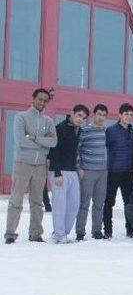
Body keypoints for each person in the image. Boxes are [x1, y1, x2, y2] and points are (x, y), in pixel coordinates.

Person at [5, 89, 57, 244]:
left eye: (45, 100)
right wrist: (43, 143)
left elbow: (53, 142)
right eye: (39, 99)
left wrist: (35, 138)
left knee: (37, 201)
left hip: (40, 166)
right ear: (33, 98)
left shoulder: (48, 121)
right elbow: (21, 141)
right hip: (22, 164)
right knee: (16, 199)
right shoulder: (21, 117)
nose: (42, 102)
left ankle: (35, 234)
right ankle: (10, 233)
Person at [47, 104, 89, 244]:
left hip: (72, 172)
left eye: (83, 117)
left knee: (74, 204)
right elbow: (54, 152)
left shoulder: (79, 131)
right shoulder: (60, 128)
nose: (81, 119)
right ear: (72, 113)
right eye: (79, 115)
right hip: (59, 171)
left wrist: (78, 168)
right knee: (59, 205)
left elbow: (75, 152)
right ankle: (58, 234)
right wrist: (57, 173)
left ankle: (63, 232)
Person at [76, 104, 109, 241]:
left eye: (104, 115)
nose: (101, 117)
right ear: (93, 115)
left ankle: (96, 230)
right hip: (88, 171)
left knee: (99, 204)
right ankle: (80, 231)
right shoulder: (85, 130)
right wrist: (79, 167)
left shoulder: (107, 131)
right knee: (84, 203)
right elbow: (77, 149)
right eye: (99, 114)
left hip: (103, 172)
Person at [104, 103, 133, 238]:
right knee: (109, 202)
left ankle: (130, 230)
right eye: (126, 114)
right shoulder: (111, 130)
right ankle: (107, 230)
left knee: (128, 202)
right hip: (113, 171)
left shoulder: (132, 131)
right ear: (120, 115)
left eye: (130, 114)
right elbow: (103, 147)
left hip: (128, 173)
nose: (128, 117)